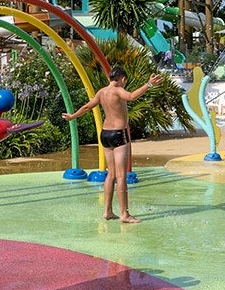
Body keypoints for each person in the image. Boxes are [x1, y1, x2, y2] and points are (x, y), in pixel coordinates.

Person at [62, 65, 162, 223]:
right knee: (121, 176)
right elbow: (131, 97)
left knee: (111, 174)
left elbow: (88, 106)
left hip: (105, 134)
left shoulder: (102, 92)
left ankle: (108, 211)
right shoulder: (118, 90)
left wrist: (72, 116)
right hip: (118, 134)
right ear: (122, 79)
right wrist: (148, 84)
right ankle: (125, 214)